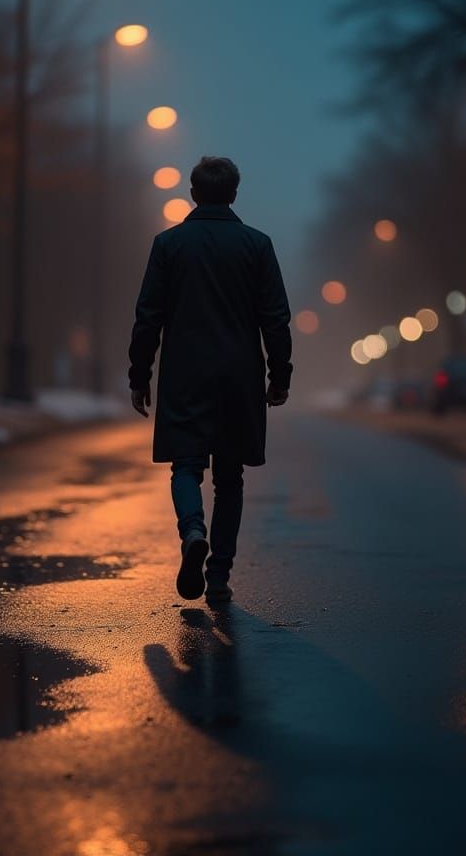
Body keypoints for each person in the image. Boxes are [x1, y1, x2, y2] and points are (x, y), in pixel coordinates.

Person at [127, 156, 293, 603]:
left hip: (185, 374)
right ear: (234, 194)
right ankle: (218, 575)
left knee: (186, 465)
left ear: (193, 193)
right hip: (239, 375)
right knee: (230, 476)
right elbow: (275, 318)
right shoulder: (257, 246)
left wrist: (140, 375)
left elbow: (148, 317)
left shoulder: (169, 245)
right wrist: (279, 375)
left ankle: (192, 531)